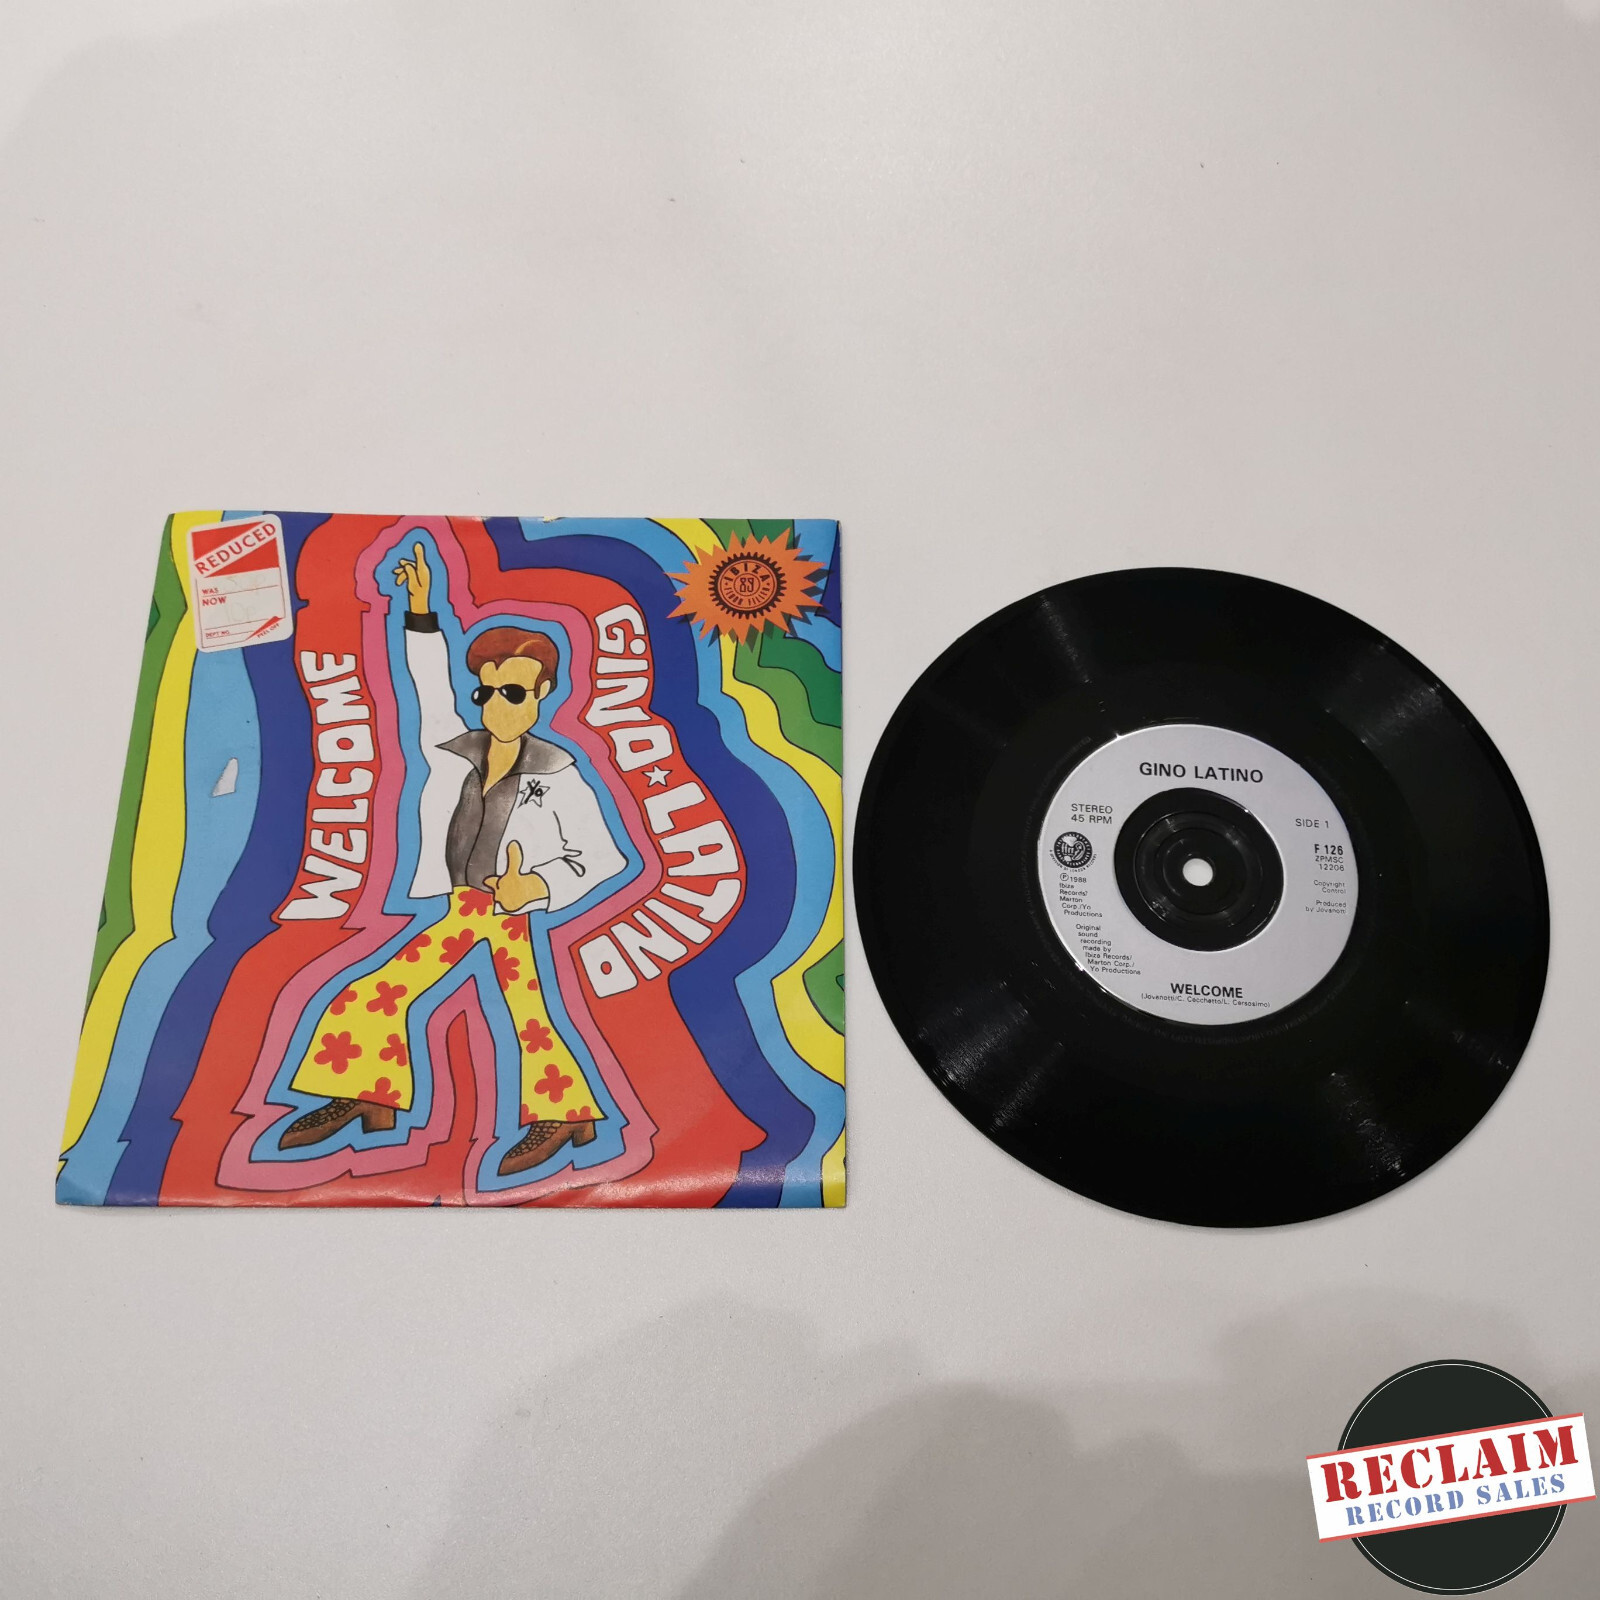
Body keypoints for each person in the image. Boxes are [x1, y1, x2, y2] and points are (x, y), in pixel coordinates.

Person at [281, 543, 628, 1175]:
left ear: (544, 693)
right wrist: (421, 612)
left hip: (502, 910)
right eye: (487, 691)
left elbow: (600, 858)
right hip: (463, 906)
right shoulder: (454, 751)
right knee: (392, 994)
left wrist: (537, 887)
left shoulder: (559, 772)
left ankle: (561, 1115)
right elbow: (430, 689)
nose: (497, 704)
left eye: (514, 691)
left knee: (515, 1013)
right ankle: (374, 1096)